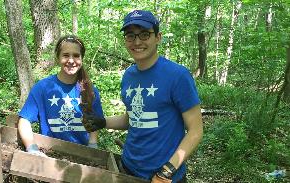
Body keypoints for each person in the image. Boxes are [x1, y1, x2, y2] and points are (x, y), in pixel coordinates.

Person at [83, 10, 203, 183]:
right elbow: (134, 118)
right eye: (130, 36)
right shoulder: (128, 76)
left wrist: (167, 170)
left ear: (158, 37)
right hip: (128, 168)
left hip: (164, 176)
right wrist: (103, 122)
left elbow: (196, 131)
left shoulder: (178, 76)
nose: (137, 42)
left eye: (145, 34)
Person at [18, 35, 104, 156]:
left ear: (81, 59)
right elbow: (24, 120)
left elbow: (95, 123)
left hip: (81, 155)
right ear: (58, 58)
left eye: (76, 55)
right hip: (49, 152)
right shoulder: (42, 87)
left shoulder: (89, 91)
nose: (71, 60)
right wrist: (32, 148)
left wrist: (93, 146)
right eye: (65, 55)